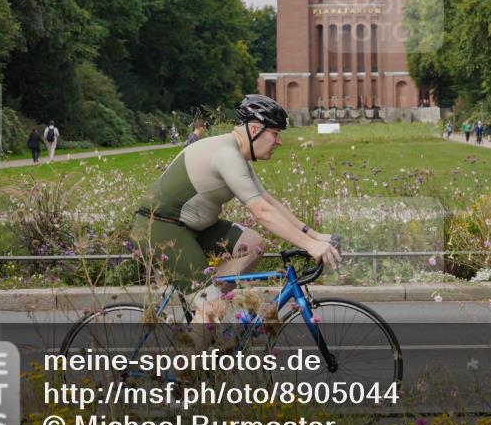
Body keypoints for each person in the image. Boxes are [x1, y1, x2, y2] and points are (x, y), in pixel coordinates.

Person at [131, 94, 340, 326]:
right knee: (212, 309)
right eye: (275, 133)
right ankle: (195, 349)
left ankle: (211, 300)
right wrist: (310, 246)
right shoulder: (226, 155)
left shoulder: (237, 155)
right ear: (254, 130)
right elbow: (261, 212)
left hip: (192, 227)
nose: (279, 141)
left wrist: (314, 235)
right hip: (162, 228)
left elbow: (268, 201)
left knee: (253, 244)